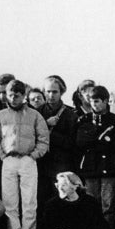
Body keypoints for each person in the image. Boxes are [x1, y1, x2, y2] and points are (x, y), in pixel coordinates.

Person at [0, 79, 50, 229]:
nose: (13, 98)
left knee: (29, 200)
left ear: (24, 96)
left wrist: (34, 155)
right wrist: (2, 155)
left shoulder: (35, 115)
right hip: (8, 160)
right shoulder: (0, 116)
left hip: (28, 160)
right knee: (9, 201)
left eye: (17, 95)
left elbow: (44, 139)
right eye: (10, 95)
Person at [75, 85, 115, 218]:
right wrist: (101, 140)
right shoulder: (84, 120)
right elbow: (80, 143)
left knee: (108, 205)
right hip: (91, 168)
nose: (94, 104)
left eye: (97, 101)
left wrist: (97, 142)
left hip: (110, 167)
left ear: (105, 101)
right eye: (92, 101)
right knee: (92, 203)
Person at [37, 75, 79, 210]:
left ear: (61, 92)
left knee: (62, 200)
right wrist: (45, 125)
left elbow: (72, 142)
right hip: (41, 164)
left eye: (55, 92)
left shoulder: (71, 114)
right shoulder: (36, 113)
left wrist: (51, 134)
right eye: (48, 91)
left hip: (61, 165)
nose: (51, 95)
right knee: (42, 200)